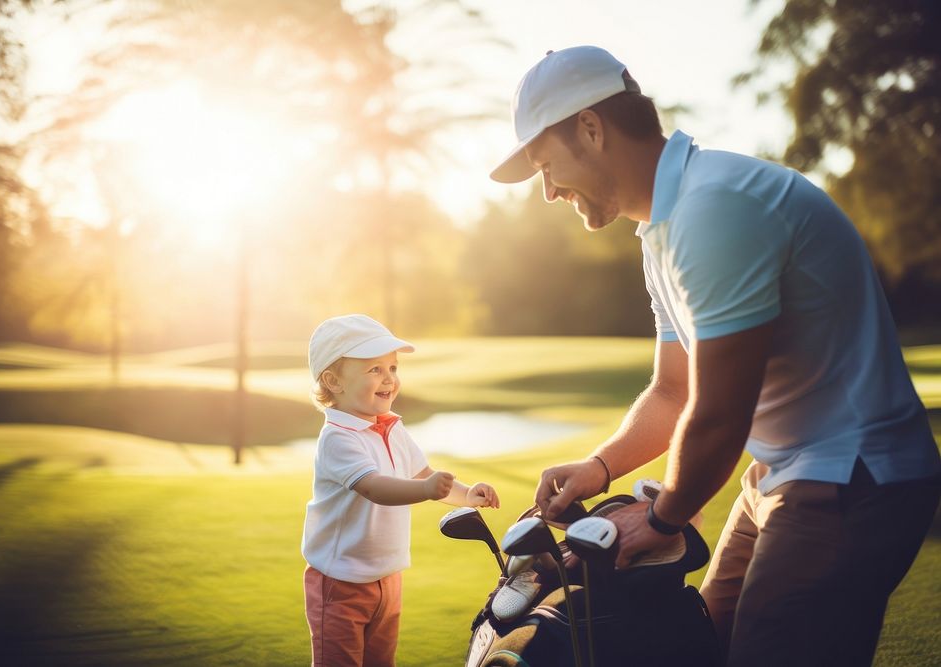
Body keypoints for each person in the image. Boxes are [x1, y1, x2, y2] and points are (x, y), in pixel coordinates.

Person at [490, 45, 941, 666]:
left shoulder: (716, 207)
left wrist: (664, 518)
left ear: (591, 130)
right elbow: (673, 392)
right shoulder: (662, 230)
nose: (547, 191)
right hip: (782, 473)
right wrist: (599, 468)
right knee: (705, 642)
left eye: (546, 164)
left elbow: (721, 409)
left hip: (852, 478)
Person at [301, 313, 500, 667]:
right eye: (374, 369)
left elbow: (425, 474)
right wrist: (424, 489)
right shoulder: (338, 438)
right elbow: (375, 487)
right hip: (341, 583)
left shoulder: (392, 428)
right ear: (333, 381)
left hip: (387, 576)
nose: (389, 379)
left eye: (392, 368)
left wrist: (467, 494)